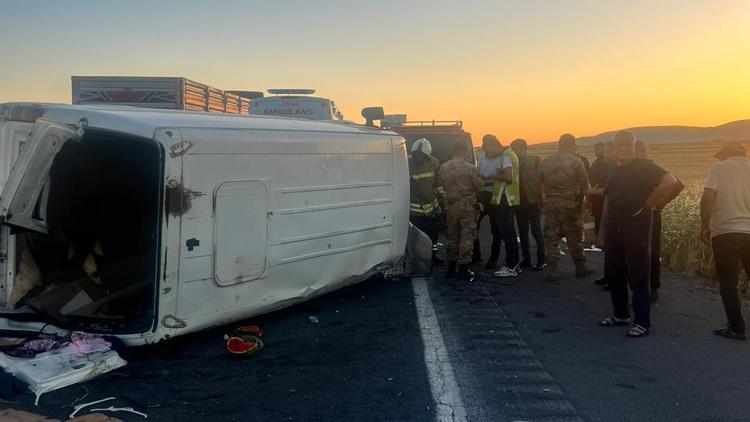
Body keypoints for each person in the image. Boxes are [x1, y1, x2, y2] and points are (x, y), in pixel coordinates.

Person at [597, 131, 677, 338]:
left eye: (627, 144)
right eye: (619, 145)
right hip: (614, 227)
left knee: (638, 274)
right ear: (613, 148)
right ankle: (621, 314)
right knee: (614, 272)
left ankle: (642, 322)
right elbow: (608, 199)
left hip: (636, 228)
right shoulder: (614, 169)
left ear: (633, 146)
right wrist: (602, 230)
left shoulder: (644, 166)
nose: (623, 148)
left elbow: (670, 181)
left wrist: (650, 203)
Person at [700, 141, 750, 341]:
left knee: (728, 282)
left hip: (726, 232)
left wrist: (704, 225)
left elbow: (708, 197)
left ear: (725, 154)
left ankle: (736, 328)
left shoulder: (720, 168)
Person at [634, 139, 684, 301]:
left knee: (652, 250)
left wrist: (658, 204)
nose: (638, 153)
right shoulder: (632, 169)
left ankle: (653, 288)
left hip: (650, 215)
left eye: (641, 150)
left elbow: (677, 184)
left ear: (646, 151)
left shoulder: (651, 168)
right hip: (636, 216)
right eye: (636, 150)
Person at [538, 134, 593, 281]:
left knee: (551, 237)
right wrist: (588, 202)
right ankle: (581, 267)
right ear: (572, 144)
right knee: (574, 236)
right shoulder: (576, 162)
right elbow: (585, 185)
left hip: (550, 204)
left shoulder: (547, 162)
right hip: (570, 205)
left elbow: (538, 183)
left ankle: (552, 270)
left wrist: (542, 201)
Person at [438, 141, 484, 281]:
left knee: (453, 236)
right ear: (465, 153)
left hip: (451, 206)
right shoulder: (470, 168)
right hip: (467, 206)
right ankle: (464, 268)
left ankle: (451, 268)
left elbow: (440, 186)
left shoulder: (443, 168)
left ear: (454, 152)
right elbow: (479, 187)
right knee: (466, 236)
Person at [511, 138, 546, 271]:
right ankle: (526, 260)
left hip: (533, 202)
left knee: (537, 232)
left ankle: (541, 260)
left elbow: (542, 180)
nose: (514, 152)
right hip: (519, 203)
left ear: (523, 149)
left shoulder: (535, 161)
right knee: (523, 233)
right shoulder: (514, 163)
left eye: (516, 149)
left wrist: (542, 199)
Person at [408, 138, 445, 264]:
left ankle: (433, 255)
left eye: (421, 154)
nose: (418, 157)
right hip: (414, 211)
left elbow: (438, 183)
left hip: (431, 209)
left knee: (433, 235)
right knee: (415, 236)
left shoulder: (434, 163)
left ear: (427, 154)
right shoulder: (406, 162)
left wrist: (442, 198)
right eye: (416, 154)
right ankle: (415, 257)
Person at [491, 139, 521, 278]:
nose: (488, 152)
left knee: (507, 234)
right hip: (509, 199)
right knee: (511, 233)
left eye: (488, 149)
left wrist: (494, 175)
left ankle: (510, 267)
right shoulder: (510, 154)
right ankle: (514, 264)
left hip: (505, 199)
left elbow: (508, 177)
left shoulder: (506, 156)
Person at [473, 135, 504, 268]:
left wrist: (489, 179)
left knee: (496, 230)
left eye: (488, 146)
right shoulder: (482, 156)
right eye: (484, 146)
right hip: (483, 195)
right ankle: (476, 254)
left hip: (496, 195)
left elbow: (504, 177)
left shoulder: (502, 158)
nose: (487, 149)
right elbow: (478, 174)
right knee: (474, 225)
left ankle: (493, 259)